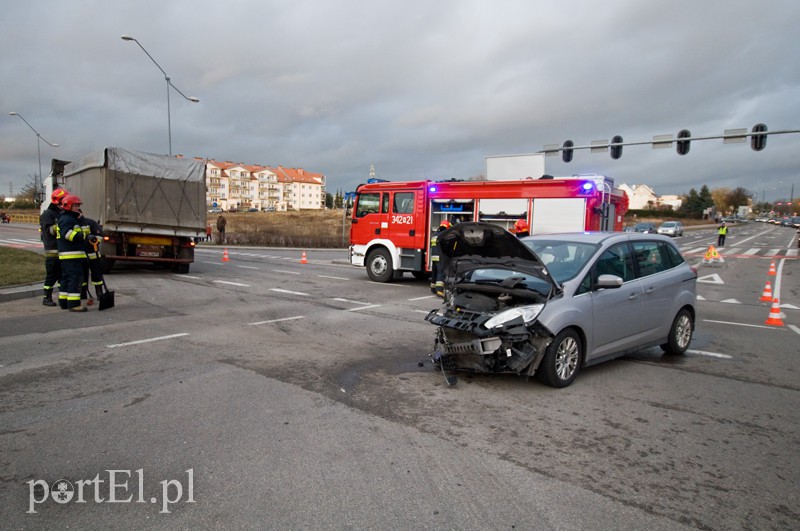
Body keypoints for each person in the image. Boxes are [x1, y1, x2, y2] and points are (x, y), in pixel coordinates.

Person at [56, 194, 89, 312]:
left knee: (66, 278)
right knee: (75, 278)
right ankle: (74, 304)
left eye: (78, 205)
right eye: (75, 205)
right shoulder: (67, 219)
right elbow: (68, 235)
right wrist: (84, 236)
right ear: (68, 205)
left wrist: (82, 220)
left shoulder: (70, 218)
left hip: (69, 255)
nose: (77, 207)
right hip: (71, 255)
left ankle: (64, 302)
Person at [39, 188, 67, 306]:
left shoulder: (61, 213)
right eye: (63, 200)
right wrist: (63, 226)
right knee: (52, 276)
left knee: (62, 276)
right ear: (57, 201)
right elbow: (49, 230)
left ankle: (62, 297)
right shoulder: (48, 214)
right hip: (52, 251)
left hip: (62, 250)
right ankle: (47, 297)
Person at [80, 212, 106, 302]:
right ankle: (82, 292)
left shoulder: (90, 223)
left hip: (93, 254)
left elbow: (100, 235)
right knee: (82, 274)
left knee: (97, 274)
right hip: (80, 254)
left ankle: (99, 292)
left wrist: (95, 239)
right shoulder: (73, 224)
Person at [430, 219, 451, 296]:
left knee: (434, 273)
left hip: (434, 257)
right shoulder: (443, 235)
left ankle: (433, 288)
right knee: (441, 272)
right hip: (440, 257)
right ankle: (439, 290)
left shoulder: (435, 234)